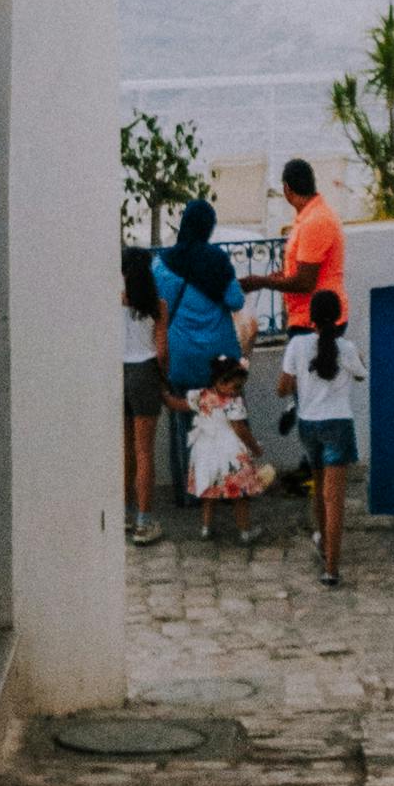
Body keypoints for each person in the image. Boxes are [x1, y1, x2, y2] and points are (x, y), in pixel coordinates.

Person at [151, 199, 250, 505]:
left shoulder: (161, 264)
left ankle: (189, 495)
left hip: (180, 357)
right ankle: (233, 489)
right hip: (219, 362)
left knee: (184, 426)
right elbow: (235, 301)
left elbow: (157, 308)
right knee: (230, 423)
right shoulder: (217, 260)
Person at [280, 287, 362, 587]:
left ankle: (322, 542)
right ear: (339, 316)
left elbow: (282, 387)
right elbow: (362, 374)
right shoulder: (347, 348)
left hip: (309, 424)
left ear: (310, 316)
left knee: (319, 491)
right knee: (335, 498)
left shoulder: (298, 346)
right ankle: (331, 568)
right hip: (338, 424)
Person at [183, 349, 274, 546]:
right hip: (229, 451)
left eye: (239, 387)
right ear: (219, 381)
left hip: (206, 450)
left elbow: (183, 405)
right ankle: (244, 531)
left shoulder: (202, 396)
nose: (236, 391)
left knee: (209, 491)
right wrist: (255, 448)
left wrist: (166, 397)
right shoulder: (234, 404)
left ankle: (206, 528)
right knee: (239, 495)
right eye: (234, 386)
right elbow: (241, 429)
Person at [120, 247, 166, 544]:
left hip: (118, 372)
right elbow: (162, 352)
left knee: (125, 449)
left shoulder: (114, 302)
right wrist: (165, 381)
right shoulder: (157, 306)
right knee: (145, 451)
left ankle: (122, 512)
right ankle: (144, 520)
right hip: (145, 371)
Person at [277, 158, 346, 331]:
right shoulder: (310, 216)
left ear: (287, 188)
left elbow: (305, 282)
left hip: (316, 320)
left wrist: (260, 282)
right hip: (310, 316)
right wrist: (280, 276)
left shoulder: (315, 221)